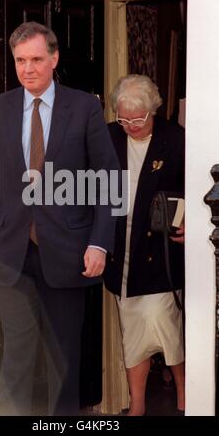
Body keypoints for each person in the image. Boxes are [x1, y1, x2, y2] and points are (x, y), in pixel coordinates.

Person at [0, 21, 119, 416]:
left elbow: (108, 179)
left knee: (64, 355)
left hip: (69, 252)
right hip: (9, 251)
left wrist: (99, 242)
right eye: (20, 60)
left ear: (54, 59)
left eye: (36, 59)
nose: (27, 68)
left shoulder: (85, 106)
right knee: (17, 354)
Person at [104, 74, 185, 416]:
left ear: (153, 110)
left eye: (137, 119)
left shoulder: (176, 139)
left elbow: (196, 188)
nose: (130, 126)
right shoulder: (108, 136)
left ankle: (185, 394)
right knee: (133, 329)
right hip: (123, 251)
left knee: (166, 327)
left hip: (160, 253)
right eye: (124, 119)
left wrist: (189, 220)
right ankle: (137, 404)